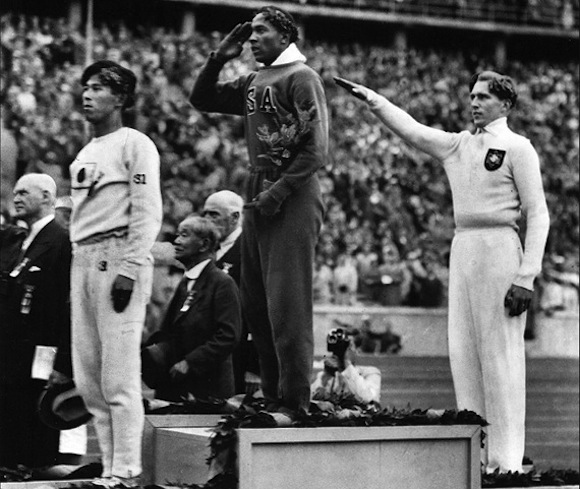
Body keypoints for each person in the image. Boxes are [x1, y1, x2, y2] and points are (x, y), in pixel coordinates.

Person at [336, 71, 550, 473]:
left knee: (499, 356)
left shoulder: (518, 148)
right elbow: (413, 130)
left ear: (505, 104)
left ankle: (506, 461)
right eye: (471, 95)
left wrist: (526, 275)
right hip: (464, 245)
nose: (474, 102)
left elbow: (538, 214)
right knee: (464, 352)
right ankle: (477, 455)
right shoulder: (458, 145)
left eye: (484, 97)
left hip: (500, 245)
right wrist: (373, 99)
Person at [190, 6, 329, 420]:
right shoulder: (254, 80)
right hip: (259, 184)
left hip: (292, 190)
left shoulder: (301, 77)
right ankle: (273, 393)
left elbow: (316, 148)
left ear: (285, 37)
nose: (252, 38)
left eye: (261, 31)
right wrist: (219, 57)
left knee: (287, 301)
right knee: (257, 302)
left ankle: (296, 400)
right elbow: (202, 99)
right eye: (250, 32)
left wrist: (279, 191)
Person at [69, 60, 162, 488]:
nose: (87, 95)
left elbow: (147, 209)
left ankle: (126, 472)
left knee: (119, 375)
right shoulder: (86, 151)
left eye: (98, 88)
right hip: (83, 259)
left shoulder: (135, 144)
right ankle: (108, 469)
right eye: (85, 87)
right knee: (89, 377)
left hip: (116, 256)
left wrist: (129, 266)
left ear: (121, 98)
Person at [0, 174, 72, 470]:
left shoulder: (60, 242)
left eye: (23, 193)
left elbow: (68, 307)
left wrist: (64, 364)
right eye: (14, 193)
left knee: (35, 439)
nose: (16, 198)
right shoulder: (19, 240)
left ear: (46, 197)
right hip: (11, 357)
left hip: (41, 356)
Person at [142, 216, 241, 404]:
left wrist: (191, 362)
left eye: (184, 235)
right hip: (176, 386)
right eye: (178, 234)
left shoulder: (222, 283)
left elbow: (228, 335)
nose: (177, 241)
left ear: (204, 245)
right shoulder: (186, 282)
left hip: (207, 391)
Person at [201, 190, 261, 395]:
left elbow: (259, 306)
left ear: (235, 216)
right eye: (205, 214)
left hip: (237, 351)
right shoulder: (206, 248)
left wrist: (254, 366)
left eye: (214, 215)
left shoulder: (251, 248)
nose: (207, 220)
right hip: (208, 350)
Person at [311, 328, 381, 407]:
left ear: (357, 350)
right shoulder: (327, 374)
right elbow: (310, 399)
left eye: (349, 346)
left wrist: (347, 366)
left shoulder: (370, 372)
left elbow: (365, 398)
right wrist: (326, 377)